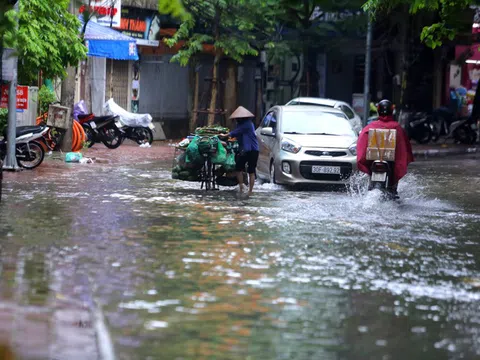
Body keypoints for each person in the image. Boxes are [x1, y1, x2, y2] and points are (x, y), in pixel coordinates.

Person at [357, 99, 414, 194]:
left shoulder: (370, 127)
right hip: (390, 162)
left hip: (373, 161)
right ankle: (392, 190)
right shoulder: (397, 127)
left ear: (378, 111)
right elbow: (404, 148)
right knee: (393, 188)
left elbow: (361, 144)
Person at [221, 106, 259, 196]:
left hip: (252, 150)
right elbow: (238, 135)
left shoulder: (248, 124)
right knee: (238, 168)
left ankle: (250, 190)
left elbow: (235, 132)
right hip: (244, 149)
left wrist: (225, 135)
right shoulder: (240, 125)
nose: (236, 120)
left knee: (251, 171)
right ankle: (241, 186)